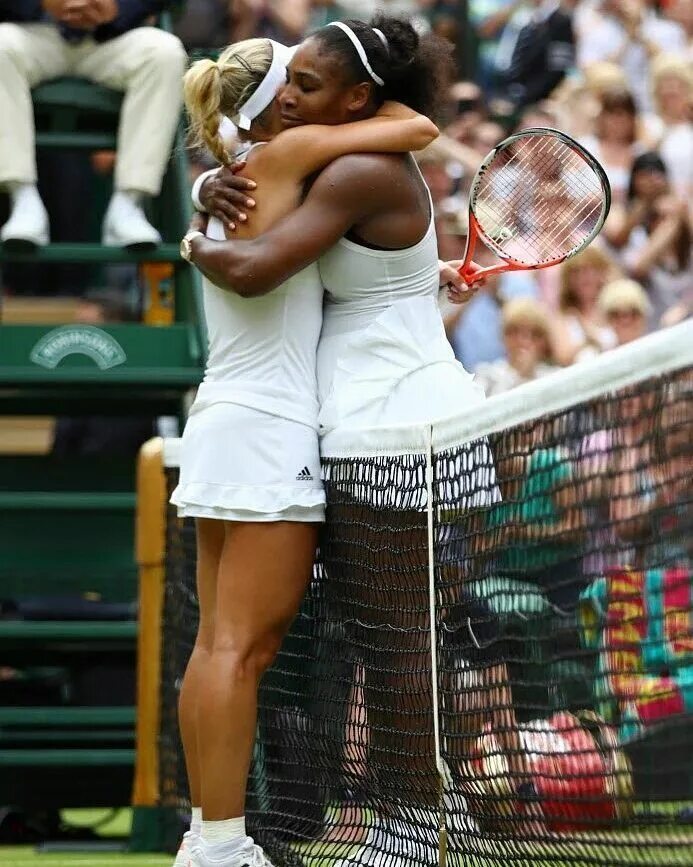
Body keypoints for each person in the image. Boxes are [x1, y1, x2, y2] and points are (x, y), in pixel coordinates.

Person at [185, 16, 510, 866]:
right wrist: (202, 191)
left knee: (393, 632)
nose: (291, 96)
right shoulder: (336, 155)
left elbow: (258, 265)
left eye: (310, 86)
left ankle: (408, 825)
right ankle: (423, 810)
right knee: (379, 631)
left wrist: (192, 234)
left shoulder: (359, 165)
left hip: (394, 420)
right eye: (285, 83)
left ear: (359, 98)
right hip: (351, 415)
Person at [0, 1, 186, 250]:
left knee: (166, 53)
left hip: (113, 35)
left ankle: (128, 205)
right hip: (33, 31)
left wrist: (118, 8)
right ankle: (22, 199)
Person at [473, 297, 557, 396]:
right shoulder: (487, 376)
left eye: (534, 334)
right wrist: (518, 375)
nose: (524, 341)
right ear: (503, 336)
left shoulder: (554, 377)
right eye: (515, 332)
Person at [551, 246, 618, 365]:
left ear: (602, 272)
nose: (583, 278)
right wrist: (588, 341)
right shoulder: (564, 316)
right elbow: (562, 357)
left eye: (589, 270)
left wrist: (591, 336)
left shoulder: (616, 309)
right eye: (576, 272)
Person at [597, 276, 652, 345]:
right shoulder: (596, 354)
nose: (626, 321)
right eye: (616, 314)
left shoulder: (658, 350)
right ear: (607, 319)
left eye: (633, 313)